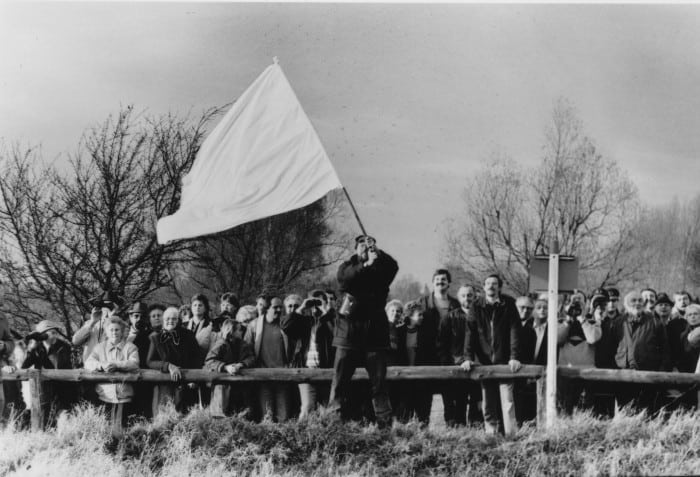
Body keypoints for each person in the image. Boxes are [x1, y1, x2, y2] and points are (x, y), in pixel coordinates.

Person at [329, 234, 399, 428]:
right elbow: (346, 280)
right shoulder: (346, 268)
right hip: (348, 335)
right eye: (361, 244)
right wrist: (366, 264)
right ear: (354, 249)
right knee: (339, 383)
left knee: (379, 385)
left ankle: (384, 425)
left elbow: (393, 267)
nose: (365, 247)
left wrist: (378, 253)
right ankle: (333, 424)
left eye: (368, 244)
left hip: (374, 335)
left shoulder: (381, 269)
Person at [460, 274, 521, 437]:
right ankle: (491, 435)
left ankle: (511, 436)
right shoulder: (477, 306)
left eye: (494, 284)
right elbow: (470, 333)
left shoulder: (508, 304)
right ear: (483, 287)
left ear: (499, 287)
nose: (491, 286)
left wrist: (514, 356)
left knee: (507, 402)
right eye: (487, 283)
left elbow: (515, 330)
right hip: (485, 362)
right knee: (488, 402)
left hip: (504, 362)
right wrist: (467, 358)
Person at [612, 291, 671, 414]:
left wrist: (661, 373)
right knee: (625, 412)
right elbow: (610, 349)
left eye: (640, 300)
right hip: (623, 376)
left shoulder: (655, 321)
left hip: (648, 376)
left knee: (647, 413)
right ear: (626, 303)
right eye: (633, 300)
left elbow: (665, 350)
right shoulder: (618, 322)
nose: (637, 303)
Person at [281, 290, 336, 419]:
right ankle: (302, 434)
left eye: (319, 302)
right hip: (306, 371)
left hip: (326, 370)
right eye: (313, 303)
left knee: (326, 409)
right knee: (307, 407)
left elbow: (338, 331)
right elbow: (285, 326)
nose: (315, 307)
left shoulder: (330, 320)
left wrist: (326, 311)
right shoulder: (304, 321)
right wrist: (302, 308)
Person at [418, 269, 460, 426]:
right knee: (424, 396)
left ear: (449, 283)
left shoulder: (455, 304)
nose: (440, 282)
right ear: (432, 282)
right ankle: (422, 428)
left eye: (443, 279)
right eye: (437, 279)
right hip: (427, 355)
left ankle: (452, 428)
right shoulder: (422, 303)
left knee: (450, 396)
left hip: (449, 356)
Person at [84, 316, 139, 435]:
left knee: (124, 430)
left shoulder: (130, 347)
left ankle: (123, 451)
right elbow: (88, 363)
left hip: (124, 395)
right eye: (111, 330)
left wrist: (117, 365)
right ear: (106, 332)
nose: (114, 333)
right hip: (105, 395)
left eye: (117, 330)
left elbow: (134, 363)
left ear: (123, 331)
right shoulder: (99, 348)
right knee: (105, 429)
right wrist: (101, 366)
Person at [244, 297, 293, 422]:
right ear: (267, 308)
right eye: (275, 307)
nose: (279, 310)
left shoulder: (285, 325)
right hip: (263, 377)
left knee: (284, 416)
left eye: (280, 307)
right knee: (267, 416)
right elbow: (246, 349)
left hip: (283, 377)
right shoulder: (254, 326)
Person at [438, 284, 480, 426]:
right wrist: (448, 364)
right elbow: (442, 344)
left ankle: (476, 431)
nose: (467, 298)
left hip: (478, 366)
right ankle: (458, 431)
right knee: (458, 404)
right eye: (463, 295)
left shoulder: (481, 315)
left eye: (470, 295)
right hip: (456, 367)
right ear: (458, 297)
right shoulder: (449, 317)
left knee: (477, 403)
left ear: (475, 297)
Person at [147, 307, 200, 416]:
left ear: (178, 320)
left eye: (174, 318)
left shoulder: (188, 335)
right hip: (165, 384)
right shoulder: (156, 337)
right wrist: (168, 366)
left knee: (186, 418)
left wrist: (195, 379)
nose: (170, 321)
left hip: (186, 383)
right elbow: (150, 361)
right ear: (163, 320)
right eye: (167, 319)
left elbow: (197, 358)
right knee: (166, 417)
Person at [21, 320, 74, 424]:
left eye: (55, 333)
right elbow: (24, 368)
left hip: (62, 388)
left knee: (63, 418)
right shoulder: (37, 348)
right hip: (43, 389)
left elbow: (56, 369)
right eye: (52, 333)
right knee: (44, 419)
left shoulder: (63, 347)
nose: (55, 336)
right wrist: (31, 349)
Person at [205, 318, 255, 417]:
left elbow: (251, 358)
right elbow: (209, 360)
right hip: (223, 387)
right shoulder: (221, 344)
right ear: (231, 331)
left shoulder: (243, 344)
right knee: (222, 414)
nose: (241, 331)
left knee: (240, 413)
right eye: (239, 330)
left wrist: (242, 364)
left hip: (240, 385)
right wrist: (225, 367)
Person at [73, 291, 124, 364]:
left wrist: (111, 321)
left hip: (110, 370)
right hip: (90, 368)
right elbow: (75, 341)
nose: (106, 309)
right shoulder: (90, 324)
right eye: (104, 306)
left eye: (110, 307)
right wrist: (92, 322)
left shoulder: (121, 325)